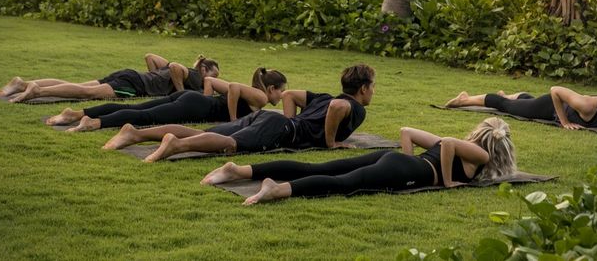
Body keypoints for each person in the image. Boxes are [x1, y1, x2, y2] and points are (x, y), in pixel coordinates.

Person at [201, 117, 516, 205]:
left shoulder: (468, 148)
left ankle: (240, 170)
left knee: (321, 168)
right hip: (408, 167)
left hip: (398, 160)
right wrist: (446, 182)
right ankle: (277, 190)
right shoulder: (482, 154)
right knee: (345, 185)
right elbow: (447, 144)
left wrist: (402, 160)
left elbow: (407, 131)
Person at [102, 63, 376, 162]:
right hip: (279, 128)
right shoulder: (353, 107)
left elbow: (290, 95)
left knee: (207, 134)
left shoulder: (324, 96)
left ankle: (135, 134)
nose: (373, 91)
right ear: (362, 88)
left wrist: (290, 120)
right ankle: (176, 145)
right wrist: (330, 143)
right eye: (372, 86)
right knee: (231, 144)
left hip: (273, 121)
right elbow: (337, 107)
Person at [47, 68, 285, 132]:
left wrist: (208, 103)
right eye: (281, 91)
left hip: (191, 99)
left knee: (139, 109)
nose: (282, 96)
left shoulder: (255, 94)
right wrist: (232, 120)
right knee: (145, 116)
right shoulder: (261, 97)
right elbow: (232, 88)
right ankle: (94, 122)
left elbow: (211, 83)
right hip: (195, 106)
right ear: (271, 88)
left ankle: (77, 114)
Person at [0, 54, 220, 103]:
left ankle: (22, 84)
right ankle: (37, 91)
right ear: (203, 70)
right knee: (87, 93)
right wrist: (179, 91)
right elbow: (175, 67)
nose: (215, 80)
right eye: (214, 75)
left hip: (131, 75)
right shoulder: (194, 77)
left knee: (81, 86)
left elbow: (151, 57)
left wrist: (157, 79)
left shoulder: (193, 74)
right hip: (132, 85)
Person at [444, 78, 597, 130]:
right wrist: (563, 122)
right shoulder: (587, 105)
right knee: (507, 107)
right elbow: (555, 90)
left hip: (549, 105)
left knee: (525, 102)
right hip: (550, 107)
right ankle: (464, 100)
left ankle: (511, 95)